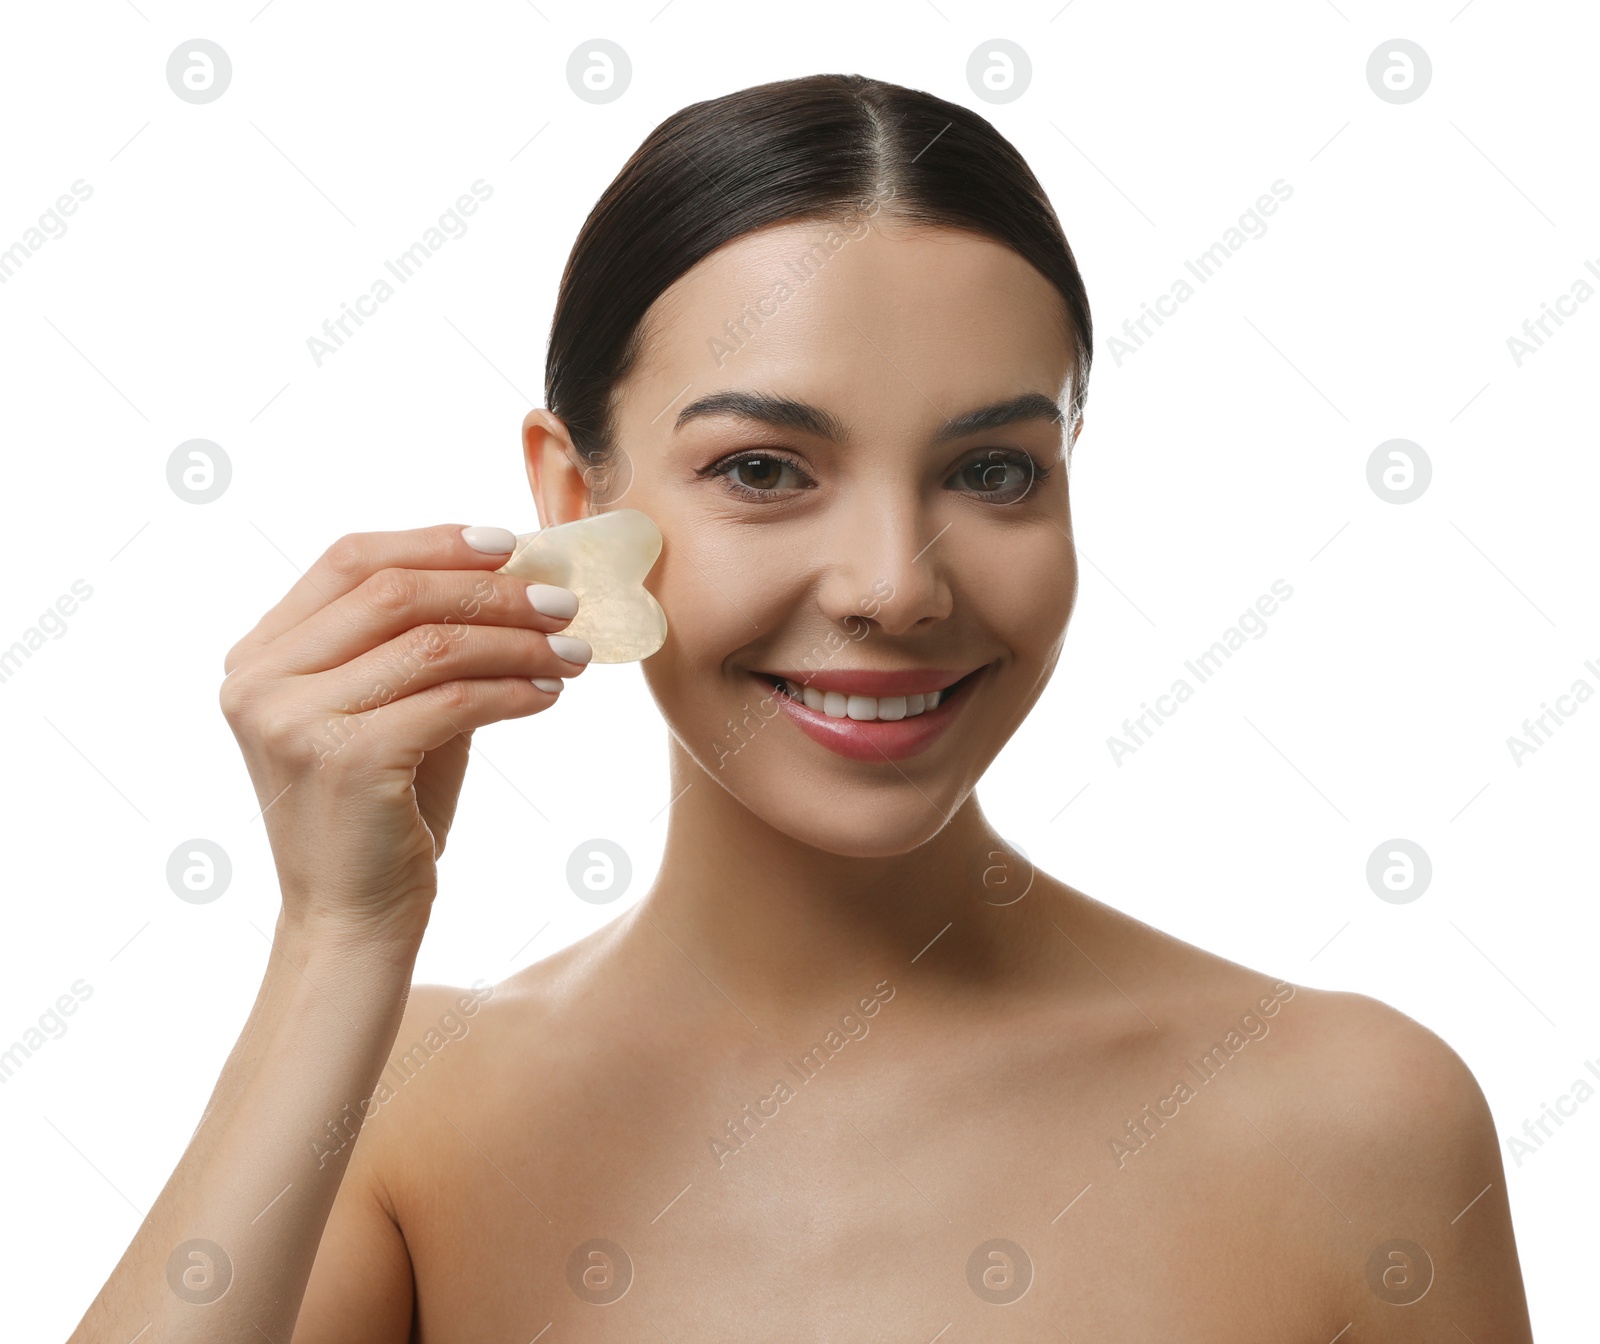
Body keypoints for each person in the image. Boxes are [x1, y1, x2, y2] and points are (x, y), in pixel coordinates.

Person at [70, 72, 1533, 1342]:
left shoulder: (1358, 1122)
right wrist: (337, 940)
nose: (897, 586)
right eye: (764, 469)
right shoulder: (401, 1118)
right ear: (577, 507)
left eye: (995, 470)